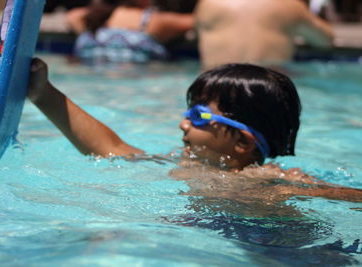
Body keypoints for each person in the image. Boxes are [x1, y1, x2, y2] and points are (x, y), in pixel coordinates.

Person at [27, 58, 362, 208]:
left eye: (198, 116)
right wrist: (44, 95)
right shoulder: (190, 165)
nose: (182, 123)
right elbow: (111, 147)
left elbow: (348, 196)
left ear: (243, 141)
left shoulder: (270, 180)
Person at [195, 0, 334, 70]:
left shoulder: (207, 4)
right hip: (268, 87)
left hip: (213, 85)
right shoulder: (289, 5)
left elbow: (197, 34)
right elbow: (325, 40)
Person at [66, 0, 194, 63]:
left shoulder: (90, 18)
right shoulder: (154, 21)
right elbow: (200, 19)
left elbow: (72, 16)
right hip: (136, 83)